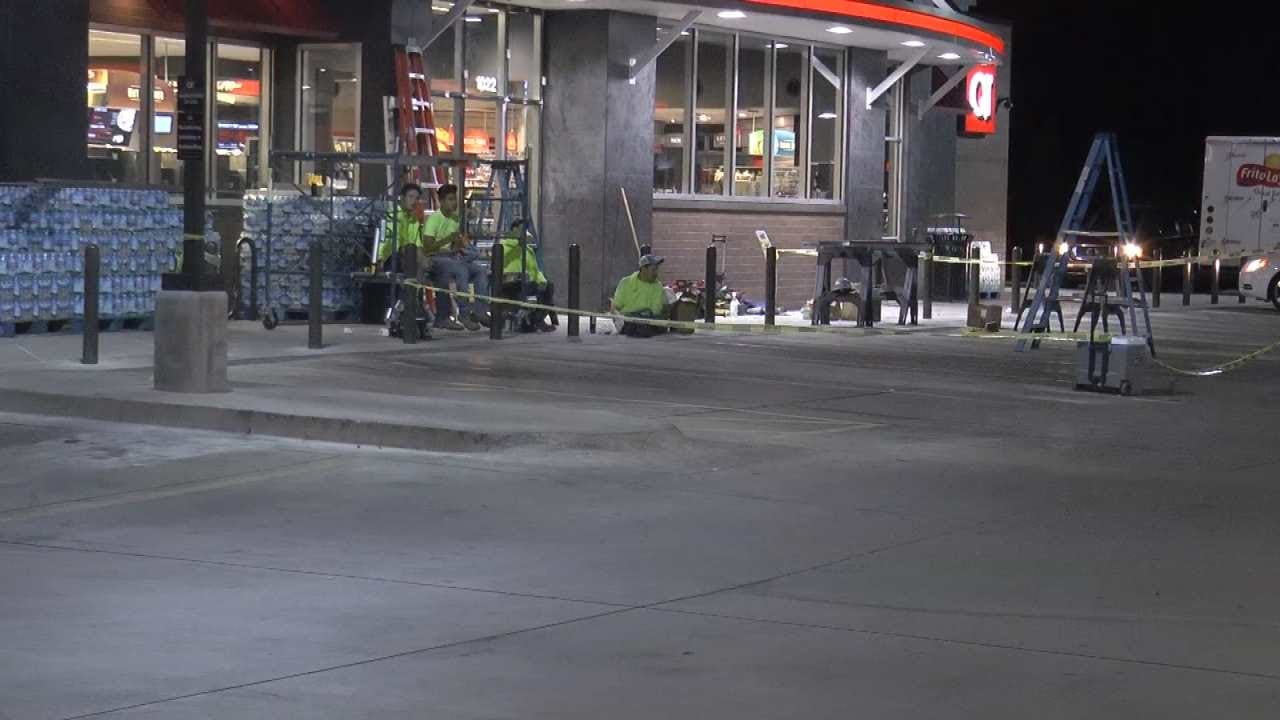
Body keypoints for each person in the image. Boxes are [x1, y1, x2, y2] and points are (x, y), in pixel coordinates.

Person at [424, 184, 489, 332]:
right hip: (436, 258)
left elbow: (454, 244)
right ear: (442, 201)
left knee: (480, 271)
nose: (454, 203)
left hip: (452, 257)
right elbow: (428, 247)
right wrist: (448, 240)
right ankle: (464, 313)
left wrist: (461, 245)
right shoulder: (434, 219)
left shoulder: (455, 219)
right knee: (461, 270)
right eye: (450, 199)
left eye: (455, 199)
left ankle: (480, 310)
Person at [497, 219, 557, 332]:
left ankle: (537, 319)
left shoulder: (528, 250)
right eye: (522, 229)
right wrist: (518, 244)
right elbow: (504, 261)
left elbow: (535, 270)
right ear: (514, 229)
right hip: (510, 283)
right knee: (526, 288)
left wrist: (542, 281)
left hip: (527, 282)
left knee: (548, 286)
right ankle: (528, 320)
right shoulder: (503, 246)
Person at [611, 254, 670, 338]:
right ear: (643, 269)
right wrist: (619, 320)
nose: (656, 273)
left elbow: (664, 310)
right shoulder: (626, 283)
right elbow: (614, 307)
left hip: (653, 325)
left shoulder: (658, 286)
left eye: (657, 270)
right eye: (653, 270)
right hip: (630, 325)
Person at [380, 183, 427, 274]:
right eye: (411, 197)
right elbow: (391, 244)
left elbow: (418, 246)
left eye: (417, 198)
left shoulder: (415, 220)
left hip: (407, 259)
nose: (414, 201)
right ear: (402, 198)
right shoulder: (393, 215)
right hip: (389, 259)